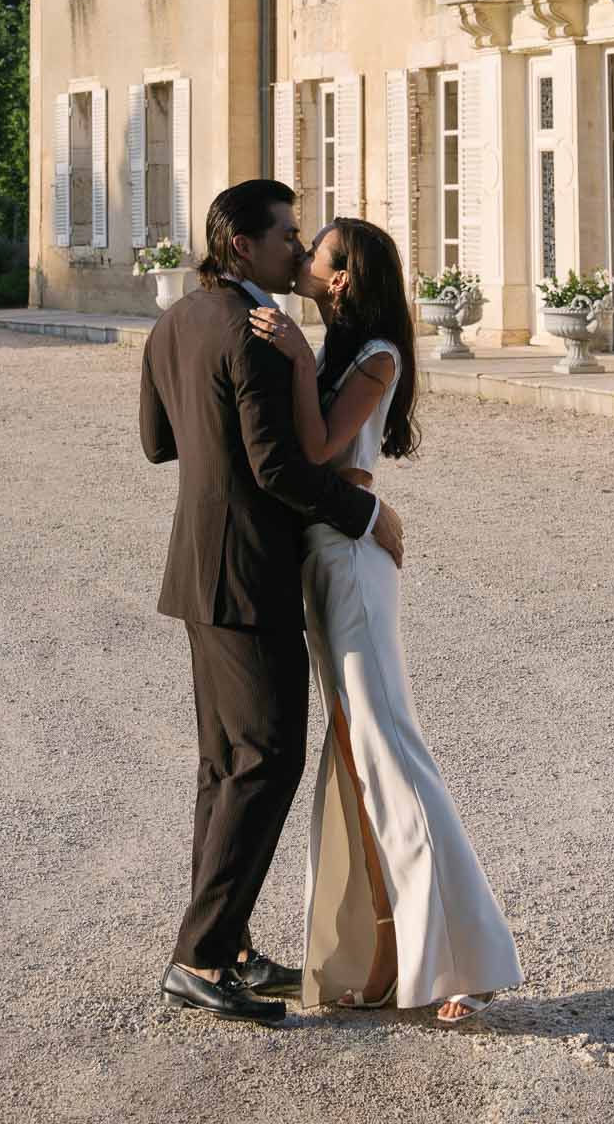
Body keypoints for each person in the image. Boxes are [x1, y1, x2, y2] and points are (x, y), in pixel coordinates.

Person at [139, 180, 405, 1027]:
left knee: (228, 765)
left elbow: (157, 441)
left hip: (197, 569)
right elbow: (280, 470)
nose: (298, 249)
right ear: (243, 246)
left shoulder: (178, 318)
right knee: (266, 762)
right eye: (288, 234)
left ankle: (231, 947)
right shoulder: (252, 332)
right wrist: (368, 513)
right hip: (248, 575)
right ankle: (201, 957)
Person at [249, 217, 523, 1026]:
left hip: (353, 561)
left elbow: (321, 450)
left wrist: (295, 359)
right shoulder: (334, 347)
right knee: (356, 753)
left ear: (342, 278)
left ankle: (463, 962)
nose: (300, 257)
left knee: (389, 747)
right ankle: (383, 957)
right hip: (323, 555)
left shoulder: (375, 355)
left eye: (316, 252)